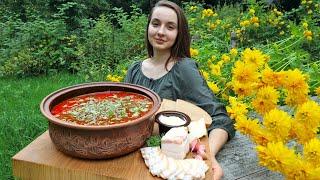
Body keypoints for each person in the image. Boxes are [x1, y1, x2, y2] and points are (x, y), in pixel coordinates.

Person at [124, 1, 235, 179]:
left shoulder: (184, 69)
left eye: (170, 27)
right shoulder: (134, 70)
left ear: (178, 33)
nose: (160, 32)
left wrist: (210, 157)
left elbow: (220, 119)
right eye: (155, 24)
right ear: (148, 27)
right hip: (133, 164)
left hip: (172, 166)